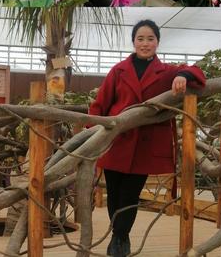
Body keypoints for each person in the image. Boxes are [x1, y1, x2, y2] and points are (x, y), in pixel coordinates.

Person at [88, 20, 205, 257]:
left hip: (144, 145)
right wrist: (92, 134)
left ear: (157, 42)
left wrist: (182, 75)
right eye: (140, 39)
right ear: (133, 42)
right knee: (114, 193)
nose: (145, 43)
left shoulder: (167, 72)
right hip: (116, 141)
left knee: (130, 195)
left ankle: (119, 241)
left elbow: (197, 72)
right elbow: (101, 104)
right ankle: (120, 237)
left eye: (150, 38)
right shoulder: (118, 70)